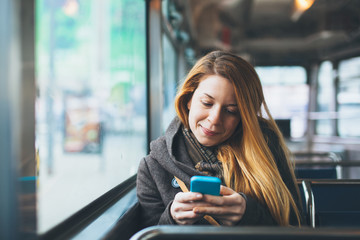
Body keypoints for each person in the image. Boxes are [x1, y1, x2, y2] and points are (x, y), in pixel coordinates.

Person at [136, 50, 303, 228]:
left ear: (243, 117)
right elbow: (148, 232)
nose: (215, 119)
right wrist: (172, 218)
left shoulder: (265, 148)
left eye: (231, 111)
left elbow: (294, 226)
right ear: (189, 99)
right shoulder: (153, 167)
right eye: (207, 103)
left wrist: (248, 215)